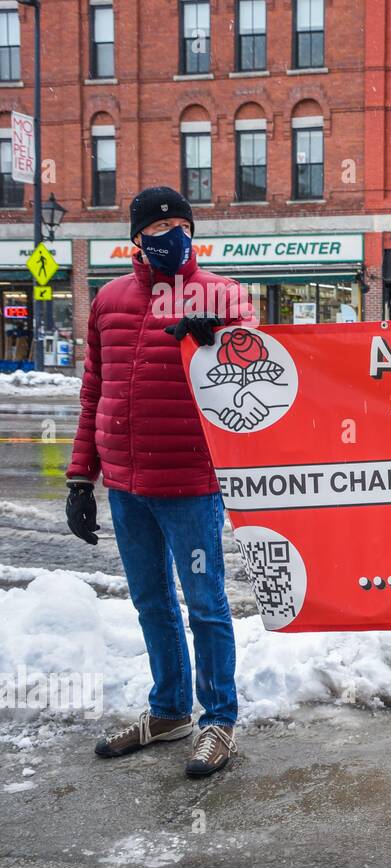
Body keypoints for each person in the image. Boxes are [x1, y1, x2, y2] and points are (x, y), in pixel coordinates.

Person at [65, 186, 249, 778]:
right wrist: (79, 478)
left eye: (180, 224)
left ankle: (218, 719)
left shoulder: (223, 294)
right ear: (136, 239)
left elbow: (256, 371)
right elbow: (94, 390)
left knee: (205, 603)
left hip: (191, 483)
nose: (171, 234)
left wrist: (216, 336)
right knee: (150, 602)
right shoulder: (108, 300)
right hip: (125, 485)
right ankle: (169, 710)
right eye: (158, 225)